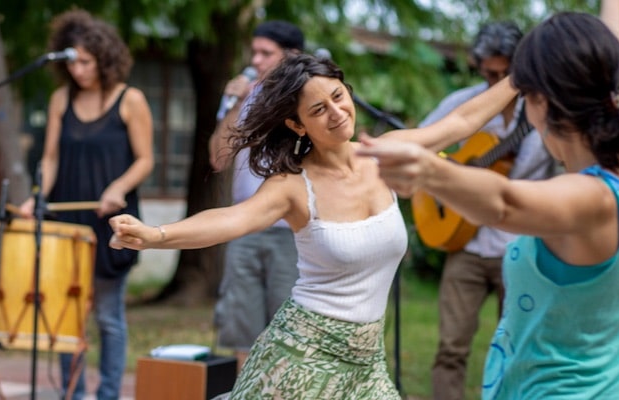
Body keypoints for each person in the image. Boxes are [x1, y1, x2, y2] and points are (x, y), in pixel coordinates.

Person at [359, 0, 619, 398]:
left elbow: (504, 202)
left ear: (538, 101)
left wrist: (430, 170)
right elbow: (618, 57)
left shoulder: (596, 200)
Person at [110, 53, 407, 399]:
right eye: (318, 110)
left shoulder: (383, 155)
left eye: (338, 96)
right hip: (301, 357)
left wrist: (490, 88)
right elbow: (231, 219)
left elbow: (460, 121)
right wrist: (155, 235)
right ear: (297, 125)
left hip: (366, 364)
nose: (337, 112)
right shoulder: (292, 185)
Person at [415, 21, 556, 400]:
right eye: (488, 72)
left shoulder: (544, 109)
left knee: (520, 349)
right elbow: (420, 147)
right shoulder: (464, 103)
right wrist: (450, 178)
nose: (495, 82)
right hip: (467, 244)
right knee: (451, 347)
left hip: (523, 245)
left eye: (504, 73)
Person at [18, 9, 154, 400]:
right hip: (69, 220)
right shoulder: (62, 98)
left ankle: (108, 394)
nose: (78, 70)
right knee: (67, 316)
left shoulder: (131, 99)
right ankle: (73, 394)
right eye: (72, 61)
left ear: (104, 58)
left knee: (108, 318)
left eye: (86, 62)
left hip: (113, 222)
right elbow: (50, 158)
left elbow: (146, 159)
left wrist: (118, 187)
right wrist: (36, 195)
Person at [207, 20, 303, 372]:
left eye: (266, 53)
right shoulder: (245, 95)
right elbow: (218, 159)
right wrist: (235, 103)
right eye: (254, 52)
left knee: (289, 330)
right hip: (244, 228)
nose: (256, 60)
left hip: (292, 229)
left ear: (292, 55)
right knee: (241, 329)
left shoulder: (305, 96)